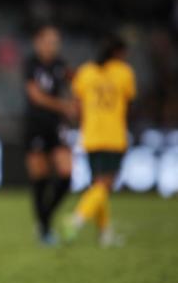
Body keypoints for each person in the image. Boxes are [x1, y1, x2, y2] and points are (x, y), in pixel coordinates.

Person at [63, 34, 136, 246]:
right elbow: (129, 104)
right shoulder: (124, 72)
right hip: (113, 135)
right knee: (104, 185)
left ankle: (105, 234)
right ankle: (76, 219)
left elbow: (76, 106)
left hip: (91, 135)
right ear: (119, 53)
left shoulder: (86, 72)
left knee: (98, 185)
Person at [22, 24, 75, 245]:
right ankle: (44, 229)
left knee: (66, 175)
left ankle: (45, 220)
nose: (52, 46)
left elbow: (74, 87)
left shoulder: (61, 65)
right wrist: (64, 106)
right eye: (49, 41)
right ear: (38, 42)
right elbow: (35, 96)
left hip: (57, 126)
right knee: (40, 179)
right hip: (36, 125)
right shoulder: (30, 64)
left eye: (56, 42)